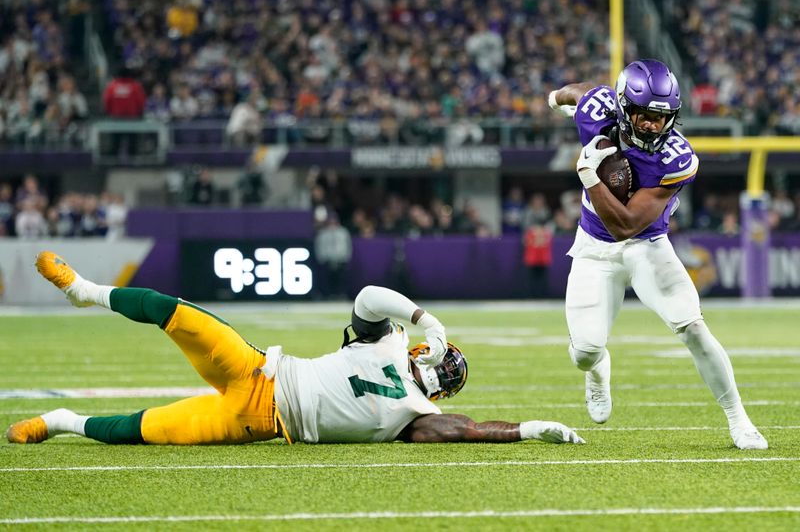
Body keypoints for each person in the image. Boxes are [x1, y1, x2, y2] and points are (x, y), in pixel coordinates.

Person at [6, 252, 584, 446]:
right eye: (440, 359)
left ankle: (61, 420)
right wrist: (423, 318)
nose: (437, 374)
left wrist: (532, 429)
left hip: (254, 422)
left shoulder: (420, 418)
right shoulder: (390, 341)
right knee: (175, 312)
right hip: (260, 371)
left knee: (144, 430)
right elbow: (366, 294)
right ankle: (87, 292)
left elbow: (469, 430)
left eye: (445, 372)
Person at [548, 59, 767, 450]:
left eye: (661, 116)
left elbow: (627, 225)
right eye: (643, 114)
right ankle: (597, 370)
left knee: (694, 328)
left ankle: (739, 419)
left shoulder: (677, 157)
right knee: (584, 351)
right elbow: (580, 91)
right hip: (594, 250)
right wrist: (556, 98)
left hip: (646, 245)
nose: (652, 124)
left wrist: (589, 176)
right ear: (621, 107)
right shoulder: (598, 109)